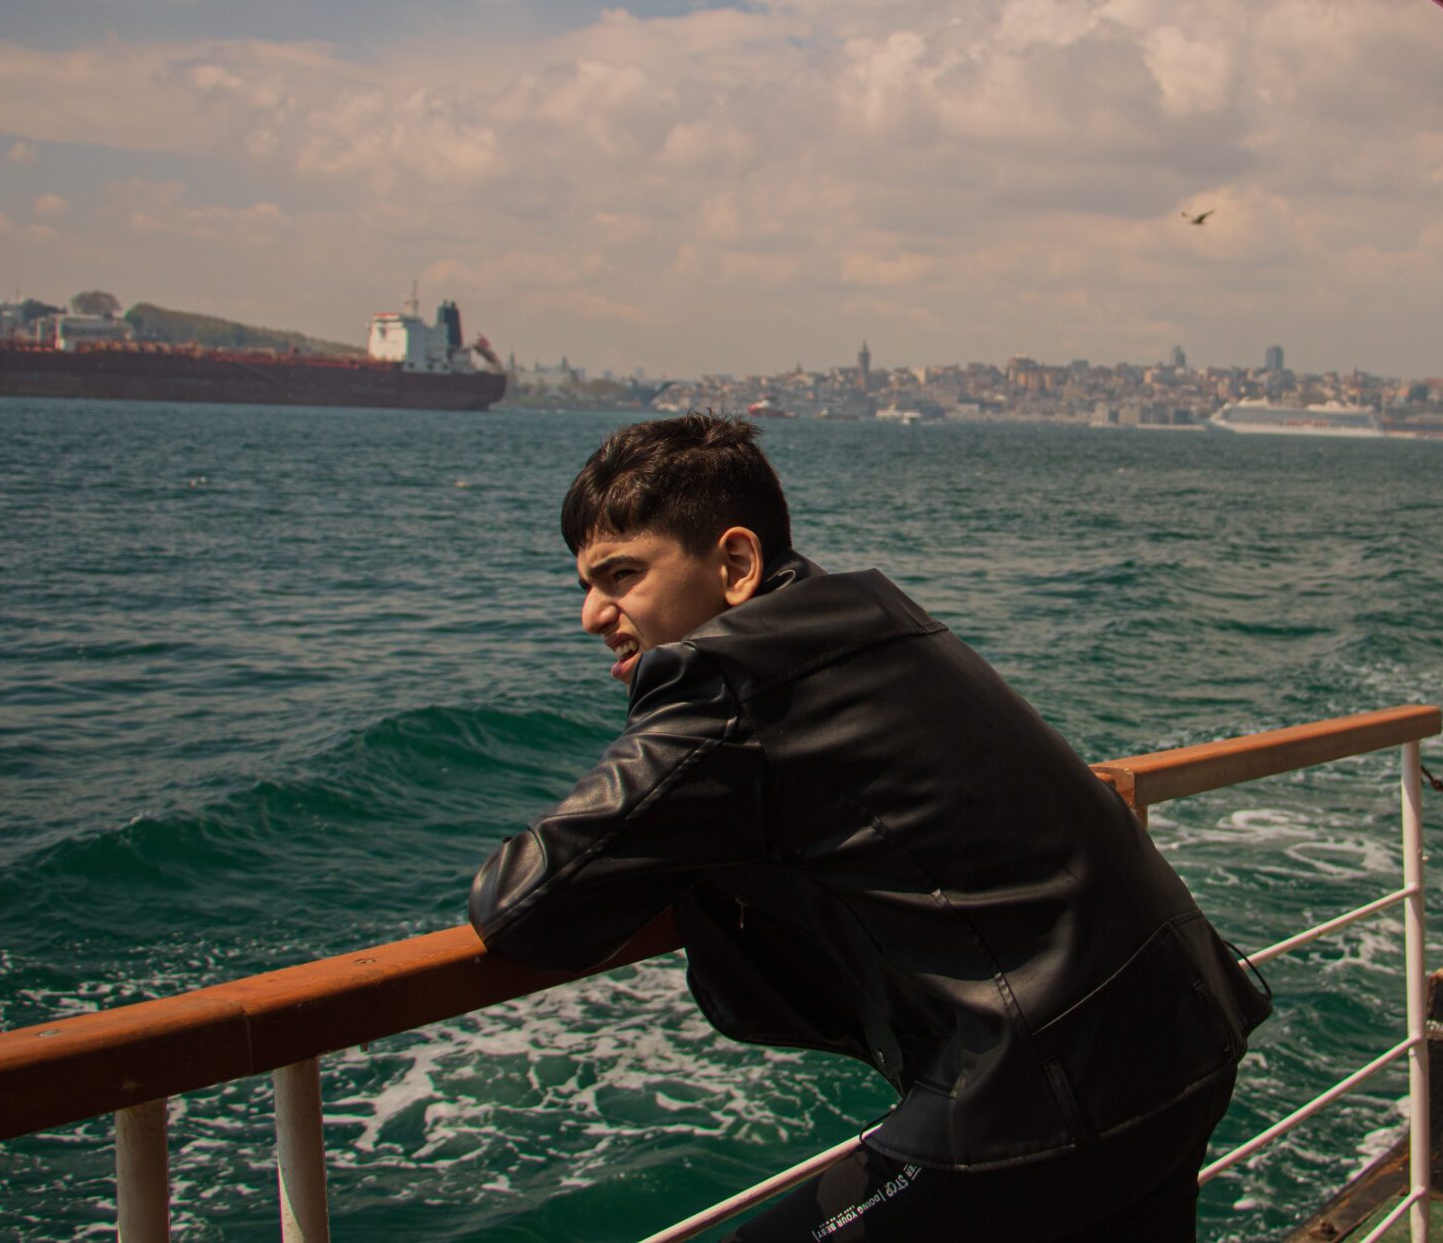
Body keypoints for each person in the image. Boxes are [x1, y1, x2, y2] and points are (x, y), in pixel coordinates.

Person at [468, 414, 1269, 1240]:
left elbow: (523, 905)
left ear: (735, 564)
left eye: (621, 575)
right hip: (1180, 1038)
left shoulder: (725, 676)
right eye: (585, 586)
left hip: (1044, 1093)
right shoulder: (873, 618)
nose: (593, 614)